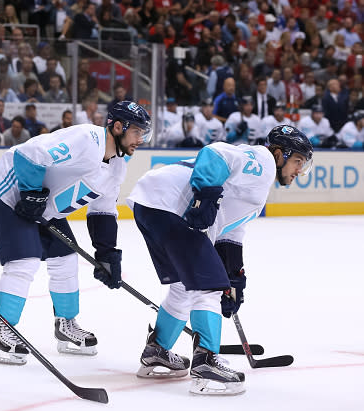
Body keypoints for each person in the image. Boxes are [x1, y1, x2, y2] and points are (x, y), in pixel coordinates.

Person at [127, 125, 313, 395]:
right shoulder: (262, 160)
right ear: (279, 154)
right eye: (297, 161)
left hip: (153, 205)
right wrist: (204, 200)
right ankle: (207, 363)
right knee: (209, 286)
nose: (299, 170)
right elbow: (216, 154)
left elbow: (231, 233)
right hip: (171, 206)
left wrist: (235, 278)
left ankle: (157, 350)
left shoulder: (257, 186)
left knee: (184, 286)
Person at [0, 101, 152, 365]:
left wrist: (107, 254)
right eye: (137, 132)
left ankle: (66, 327)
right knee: (23, 263)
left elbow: (103, 210)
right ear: (118, 127)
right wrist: (30, 193)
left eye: (144, 133)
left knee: (66, 259)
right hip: (11, 193)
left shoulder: (118, 166)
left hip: (44, 208)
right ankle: (1, 330)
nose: (141, 139)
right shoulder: (87, 140)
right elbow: (30, 153)